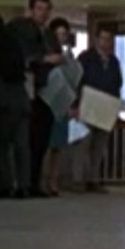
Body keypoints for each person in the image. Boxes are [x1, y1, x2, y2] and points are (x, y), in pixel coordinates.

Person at [8, 0, 63, 195]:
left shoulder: (49, 34)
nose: (43, 13)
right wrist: (45, 59)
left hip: (49, 90)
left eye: (47, 9)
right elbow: (26, 56)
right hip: (31, 88)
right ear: (31, 10)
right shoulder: (22, 29)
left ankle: (35, 181)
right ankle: (24, 181)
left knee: (42, 139)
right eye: (39, 9)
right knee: (28, 138)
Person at [38, 17, 83, 196]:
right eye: (58, 34)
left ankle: (54, 180)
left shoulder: (68, 57)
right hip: (47, 103)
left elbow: (75, 79)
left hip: (63, 103)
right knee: (44, 144)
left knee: (57, 146)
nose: (61, 37)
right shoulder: (47, 55)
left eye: (64, 34)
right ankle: (41, 178)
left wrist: (73, 104)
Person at [77, 27, 123, 193]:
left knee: (99, 146)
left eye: (109, 39)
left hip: (106, 107)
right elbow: (78, 80)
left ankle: (93, 178)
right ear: (96, 40)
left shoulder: (113, 61)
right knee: (84, 144)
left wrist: (115, 106)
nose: (106, 43)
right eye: (103, 39)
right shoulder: (86, 58)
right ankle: (79, 179)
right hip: (88, 105)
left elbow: (117, 83)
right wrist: (76, 105)